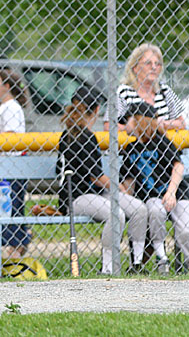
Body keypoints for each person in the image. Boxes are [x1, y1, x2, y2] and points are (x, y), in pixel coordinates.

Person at [58, 86, 148, 275]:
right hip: (77, 198)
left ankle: (137, 264)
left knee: (139, 209)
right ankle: (107, 267)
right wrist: (120, 188)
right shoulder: (79, 136)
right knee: (117, 214)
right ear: (97, 111)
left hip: (97, 194)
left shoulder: (81, 134)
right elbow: (96, 177)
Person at [120, 102, 189, 274]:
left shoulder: (161, 142)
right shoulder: (131, 148)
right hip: (151, 199)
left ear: (141, 122)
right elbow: (128, 183)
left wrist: (171, 192)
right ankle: (159, 259)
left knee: (186, 229)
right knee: (154, 212)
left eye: (131, 120)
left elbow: (178, 166)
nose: (126, 125)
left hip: (176, 194)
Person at [0, 68, 31, 258]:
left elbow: (10, 138)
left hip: (10, 167)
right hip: (0, 167)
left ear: (6, 86)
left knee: (11, 212)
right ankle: (13, 249)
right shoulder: (1, 108)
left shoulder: (12, 107)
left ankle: (16, 251)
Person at [104, 43, 186, 133]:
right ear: (135, 67)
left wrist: (163, 124)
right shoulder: (124, 92)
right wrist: (136, 129)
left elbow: (181, 123)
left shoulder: (165, 90)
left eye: (157, 64)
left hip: (163, 145)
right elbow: (108, 126)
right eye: (148, 63)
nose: (154, 67)